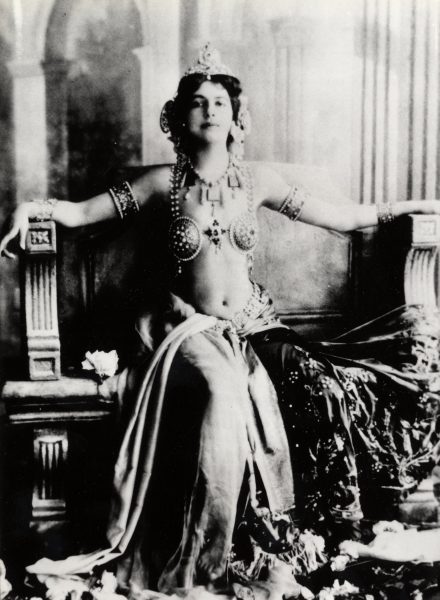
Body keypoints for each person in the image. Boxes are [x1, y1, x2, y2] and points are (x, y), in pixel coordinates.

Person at [1, 44, 440, 596]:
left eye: (220, 103)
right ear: (178, 117)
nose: (210, 110)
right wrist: (32, 209)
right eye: (198, 102)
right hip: (190, 326)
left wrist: (411, 208)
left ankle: (321, 532)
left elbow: (343, 219)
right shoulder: (162, 183)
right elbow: (82, 213)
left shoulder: (258, 180)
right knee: (221, 393)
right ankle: (209, 556)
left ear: (237, 117)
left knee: (318, 382)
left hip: (254, 324)